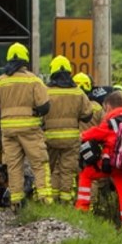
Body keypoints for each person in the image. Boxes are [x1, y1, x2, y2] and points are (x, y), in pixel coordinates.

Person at [0, 43, 51, 209]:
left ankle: (16, 202)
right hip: (30, 130)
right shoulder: (34, 80)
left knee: (13, 166)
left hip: (8, 131)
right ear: (25, 60)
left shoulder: (1, 81)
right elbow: (44, 106)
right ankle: (45, 200)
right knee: (39, 163)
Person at [76, 92, 122, 227]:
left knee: (86, 175)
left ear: (109, 107)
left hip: (109, 164)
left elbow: (94, 134)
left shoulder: (110, 122)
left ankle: (82, 210)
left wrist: (82, 135)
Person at [43, 56, 94, 205]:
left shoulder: (46, 91)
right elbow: (87, 115)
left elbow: (38, 110)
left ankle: (48, 200)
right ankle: (65, 203)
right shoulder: (78, 93)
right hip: (71, 139)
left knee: (48, 169)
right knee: (67, 171)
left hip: (49, 138)